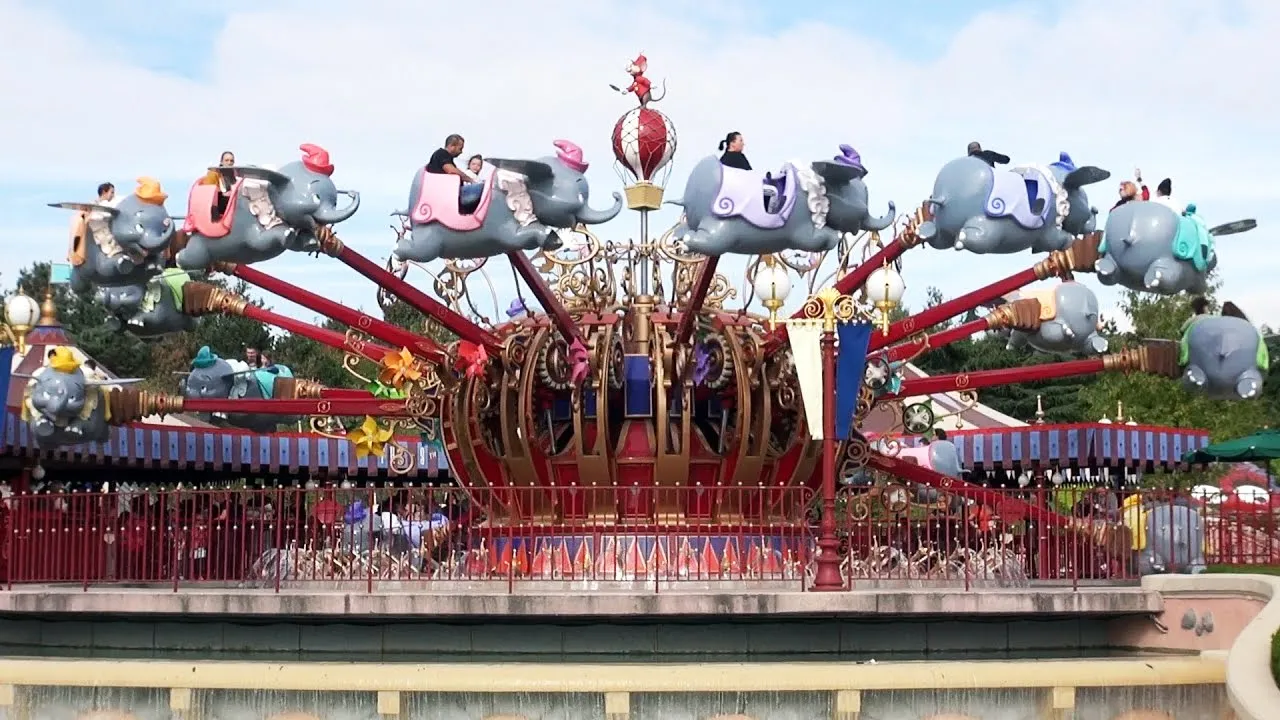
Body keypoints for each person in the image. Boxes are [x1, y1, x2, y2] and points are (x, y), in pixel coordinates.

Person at [427, 134, 483, 210]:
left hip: (450, 193)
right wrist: (470, 180)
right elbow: (451, 170)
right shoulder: (441, 153)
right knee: (483, 188)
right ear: (452, 146)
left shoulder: (447, 158)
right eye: (460, 148)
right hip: (446, 194)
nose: (461, 152)